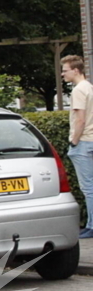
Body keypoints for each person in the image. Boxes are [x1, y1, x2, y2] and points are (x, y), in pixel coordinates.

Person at [63, 55, 93, 239]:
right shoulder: (90, 87)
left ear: (76, 70)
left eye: (65, 70)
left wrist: (73, 141)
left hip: (83, 143)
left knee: (88, 187)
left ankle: (91, 225)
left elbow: (80, 119)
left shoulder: (78, 91)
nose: (62, 74)